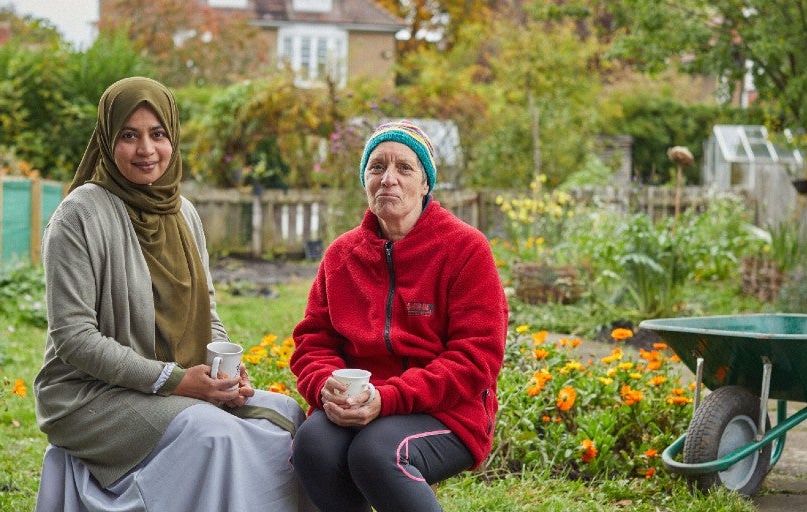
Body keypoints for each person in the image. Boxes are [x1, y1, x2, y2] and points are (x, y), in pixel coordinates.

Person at [33, 76, 315, 512]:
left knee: (288, 417)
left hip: (177, 381)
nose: (146, 149)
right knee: (214, 435)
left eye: (157, 133)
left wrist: (227, 371)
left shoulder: (184, 213)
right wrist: (175, 380)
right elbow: (74, 339)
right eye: (129, 135)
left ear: (173, 137)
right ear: (108, 141)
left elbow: (208, 307)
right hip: (90, 395)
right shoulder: (78, 215)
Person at [289, 120, 509, 512]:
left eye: (404, 168)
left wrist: (388, 398)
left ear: (426, 184)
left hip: (447, 409)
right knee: (313, 444)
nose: (388, 179)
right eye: (377, 167)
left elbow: (477, 358)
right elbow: (313, 341)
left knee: (376, 453)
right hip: (360, 401)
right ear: (365, 180)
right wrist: (324, 386)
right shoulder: (341, 256)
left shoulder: (465, 250)